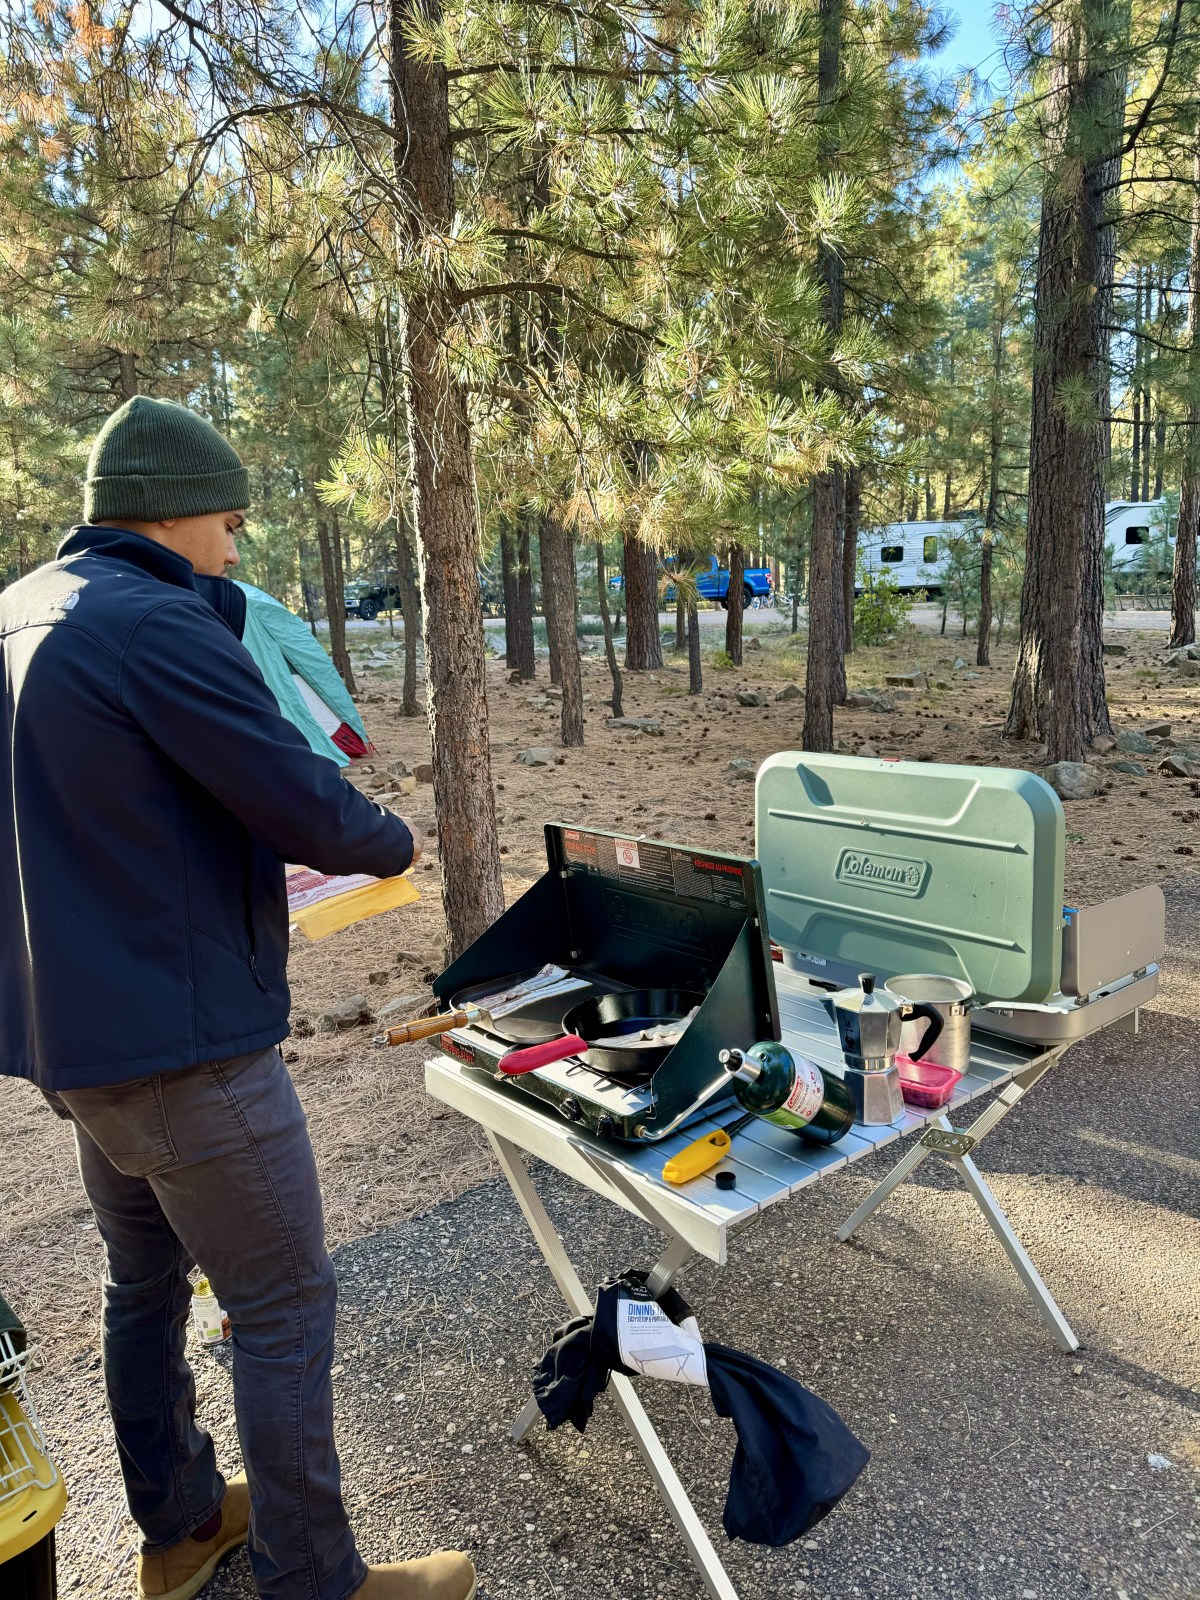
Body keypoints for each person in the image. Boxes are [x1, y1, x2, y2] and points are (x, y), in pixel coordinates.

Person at [0, 397, 477, 1600]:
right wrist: (392, 838)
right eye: (229, 517)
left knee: (144, 1282)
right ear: (171, 513)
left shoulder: (22, 608)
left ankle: (181, 1524)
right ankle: (315, 1579)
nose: (236, 540)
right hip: (183, 1046)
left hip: (73, 1040)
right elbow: (298, 796)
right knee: (282, 1306)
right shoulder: (150, 620)